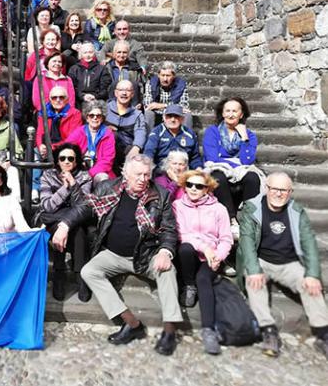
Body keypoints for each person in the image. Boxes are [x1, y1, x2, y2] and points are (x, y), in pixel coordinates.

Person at [82, 154, 183, 355]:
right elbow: (83, 208)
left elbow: (169, 229)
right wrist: (64, 225)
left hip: (146, 255)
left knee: (168, 270)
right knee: (89, 271)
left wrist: (165, 251)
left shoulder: (160, 194)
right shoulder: (108, 188)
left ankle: (170, 331)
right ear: (125, 174)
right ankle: (132, 324)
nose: (143, 179)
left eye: (146, 175)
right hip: (113, 254)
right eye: (138, 174)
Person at [238, 172, 328, 359]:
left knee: (311, 285)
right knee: (253, 281)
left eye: (284, 190)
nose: (279, 194)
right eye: (275, 189)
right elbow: (246, 241)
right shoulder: (252, 208)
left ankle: (323, 333)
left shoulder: (296, 211)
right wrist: (254, 270)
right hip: (261, 259)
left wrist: (312, 274)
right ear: (267, 189)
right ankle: (268, 330)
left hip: (288, 263)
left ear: (290, 192)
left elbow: (309, 242)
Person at [173, 170, 233, 355]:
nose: (193, 188)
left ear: (207, 189)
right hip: (189, 256)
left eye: (199, 186)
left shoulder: (219, 209)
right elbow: (182, 235)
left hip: (211, 256)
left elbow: (226, 238)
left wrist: (218, 256)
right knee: (185, 248)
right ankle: (189, 285)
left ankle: (209, 330)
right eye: (189, 184)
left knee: (204, 280)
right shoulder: (177, 206)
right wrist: (204, 248)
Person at [38, 144, 93, 301]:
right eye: (63, 158)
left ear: (76, 162)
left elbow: (84, 206)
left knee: (79, 232)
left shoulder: (84, 176)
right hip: (54, 220)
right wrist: (65, 188)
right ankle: (59, 273)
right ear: (57, 161)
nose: (67, 162)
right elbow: (47, 206)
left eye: (71, 158)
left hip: (75, 221)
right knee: (60, 230)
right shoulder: (48, 176)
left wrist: (74, 184)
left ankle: (79, 275)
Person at [202, 97, 261, 235]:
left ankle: (250, 220)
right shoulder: (213, 132)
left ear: (241, 114)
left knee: (253, 177)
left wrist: (244, 137)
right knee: (218, 176)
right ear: (222, 114)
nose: (230, 114)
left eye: (235, 111)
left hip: (241, 171)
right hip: (218, 170)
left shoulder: (249, 135)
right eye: (227, 111)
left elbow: (247, 161)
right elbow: (213, 158)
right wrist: (235, 162)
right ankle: (231, 219)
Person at [33, 86, 83, 202]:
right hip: (48, 146)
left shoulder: (75, 113)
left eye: (61, 97)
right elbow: (40, 132)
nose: (58, 100)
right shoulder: (44, 112)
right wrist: (41, 145)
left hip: (65, 147)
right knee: (35, 153)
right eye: (54, 98)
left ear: (67, 99)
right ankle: (35, 189)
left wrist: (52, 147)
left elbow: (72, 138)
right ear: (50, 99)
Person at [63, 100, 116, 184]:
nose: (95, 118)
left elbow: (107, 160)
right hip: (80, 169)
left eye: (98, 116)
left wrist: (89, 174)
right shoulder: (79, 132)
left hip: (99, 171)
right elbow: (66, 149)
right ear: (87, 118)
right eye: (91, 115)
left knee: (103, 178)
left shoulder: (108, 134)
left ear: (102, 118)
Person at [105, 80, 147, 175]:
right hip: (108, 149)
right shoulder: (105, 109)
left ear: (132, 94)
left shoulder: (137, 114)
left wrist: (136, 147)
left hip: (127, 148)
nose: (124, 93)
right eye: (121, 90)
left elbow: (140, 131)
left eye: (128, 90)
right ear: (116, 93)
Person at [143, 104, 203, 170]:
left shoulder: (190, 134)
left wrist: (198, 168)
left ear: (182, 119)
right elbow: (149, 153)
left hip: (183, 169)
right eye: (169, 116)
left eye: (176, 116)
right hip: (162, 170)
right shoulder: (157, 132)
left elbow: (195, 157)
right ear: (164, 118)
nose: (173, 119)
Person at [143, 61, 192, 130]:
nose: (165, 79)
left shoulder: (181, 84)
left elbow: (184, 106)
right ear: (158, 75)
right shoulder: (151, 83)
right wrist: (171, 106)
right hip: (156, 114)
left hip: (174, 113)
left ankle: (186, 139)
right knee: (148, 113)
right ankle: (148, 139)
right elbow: (148, 105)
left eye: (168, 76)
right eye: (163, 75)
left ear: (174, 76)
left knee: (187, 115)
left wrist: (162, 105)